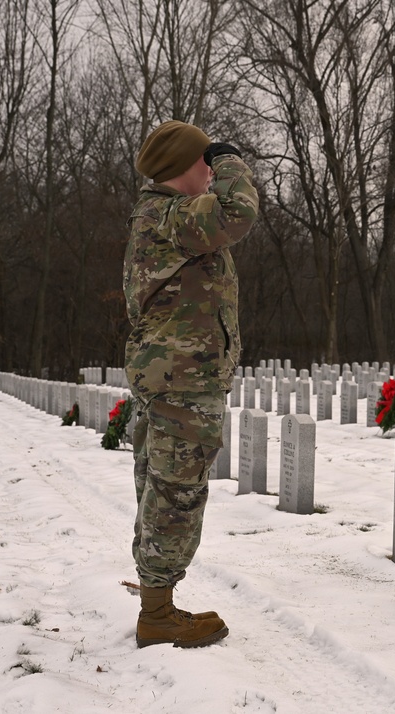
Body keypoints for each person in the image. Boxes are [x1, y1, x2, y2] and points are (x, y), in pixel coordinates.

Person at [124, 120, 259, 648]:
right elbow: (239, 212)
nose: (212, 172)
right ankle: (157, 615)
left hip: (176, 375)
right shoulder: (170, 214)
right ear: (185, 167)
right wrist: (231, 160)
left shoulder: (166, 215)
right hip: (182, 378)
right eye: (205, 163)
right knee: (177, 491)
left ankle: (157, 603)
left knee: (162, 485)